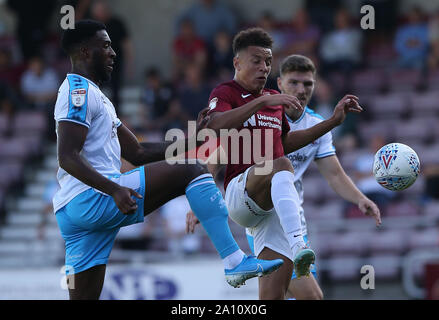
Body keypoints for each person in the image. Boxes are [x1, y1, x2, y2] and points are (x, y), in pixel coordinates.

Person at [54, 20, 283, 300]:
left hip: (75, 212)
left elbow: (137, 153)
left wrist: (196, 140)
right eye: (105, 46)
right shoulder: (78, 92)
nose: (114, 52)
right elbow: (67, 157)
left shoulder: (96, 96)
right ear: (85, 52)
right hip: (92, 198)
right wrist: (114, 189)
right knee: (193, 171)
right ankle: (234, 261)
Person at [186, 28, 364, 300]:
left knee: (280, 297)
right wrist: (203, 201)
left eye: (268, 61)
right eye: (256, 60)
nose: (264, 67)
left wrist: (332, 122)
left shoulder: (272, 101)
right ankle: (298, 244)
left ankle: (295, 247)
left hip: (270, 211)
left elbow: (286, 142)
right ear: (237, 63)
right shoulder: (227, 92)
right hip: (239, 193)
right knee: (280, 164)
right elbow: (215, 126)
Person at [255, 54, 381, 299]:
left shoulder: (317, 124)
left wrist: (359, 199)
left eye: (308, 84)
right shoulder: (262, 118)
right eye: (294, 83)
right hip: (266, 220)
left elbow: (334, 174)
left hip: (294, 223)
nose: (301, 90)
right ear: (279, 83)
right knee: (307, 297)